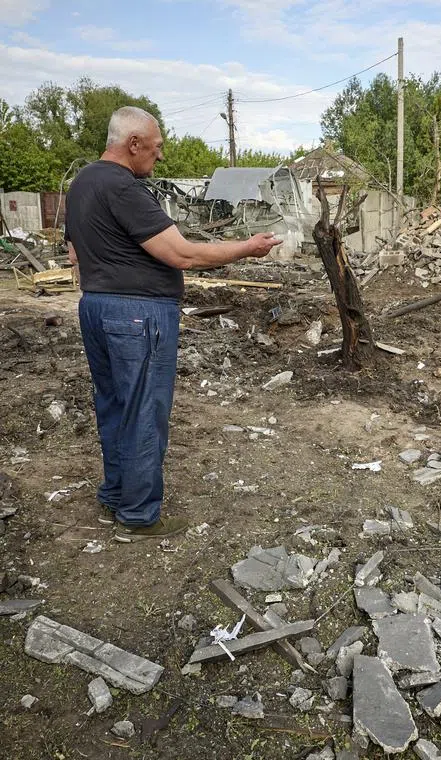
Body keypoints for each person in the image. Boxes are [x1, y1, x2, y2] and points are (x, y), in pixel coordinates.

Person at [66, 106, 281, 542]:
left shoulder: (83, 183)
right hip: (137, 316)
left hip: (96, 306)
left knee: (114, 406)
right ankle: (140, 517)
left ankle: (115, 496)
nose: (159, 158)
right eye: (157, 147)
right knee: (144, 412)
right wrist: (247, 247)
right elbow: (181, 254)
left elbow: (74, 255)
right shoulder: (123, 187)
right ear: (133, 144)